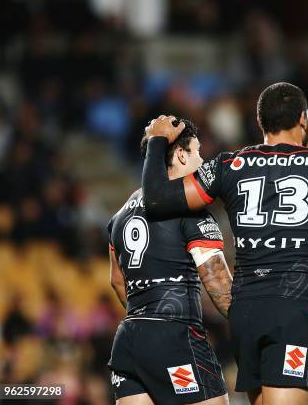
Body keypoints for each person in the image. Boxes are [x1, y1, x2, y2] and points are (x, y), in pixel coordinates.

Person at [141, 83, 308, 405]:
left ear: (261, 121)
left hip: (246, 314)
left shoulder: (229, 165)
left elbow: (155, 199)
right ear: (304, 119)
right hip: (293, 312)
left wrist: (156, 141)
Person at [107, 119, 232, 405]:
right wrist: (250, 323)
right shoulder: (189, 211)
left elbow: (116, 281)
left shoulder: (119, 216)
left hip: (129, 341)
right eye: (198, 152)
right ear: (180, 155)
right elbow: (217, 284)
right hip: (175, 336)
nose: (203, 161)